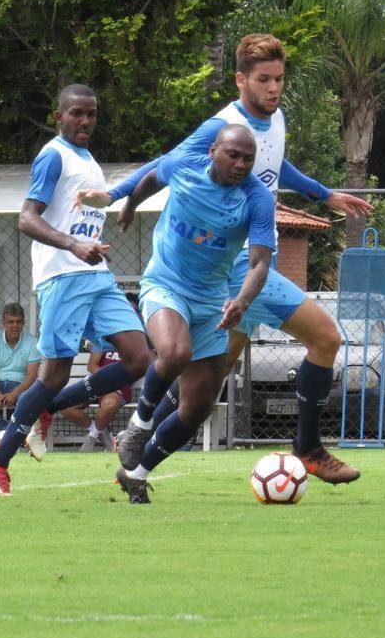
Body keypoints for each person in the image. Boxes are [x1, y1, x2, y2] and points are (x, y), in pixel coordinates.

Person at [83, 34, 372, 485]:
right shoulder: (222, 126)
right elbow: (167, 162)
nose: (274, 88)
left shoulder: (274, 120)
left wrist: (324, 195)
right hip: (235, 268)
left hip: (252, 263)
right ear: (240, 80)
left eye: (279, 79)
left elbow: (277, 165)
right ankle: (307, 448)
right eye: (264, 80)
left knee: (203, 387)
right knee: (325, 338)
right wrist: (117, 195)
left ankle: (135, 464)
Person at [0, 84, 152, 496]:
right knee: (53, 376)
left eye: (92, 114)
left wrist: (94, 242)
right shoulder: (53, 155)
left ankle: (43, 409)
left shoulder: (89, 162)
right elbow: (26, 218)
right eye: (77, 113)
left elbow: (80, 219)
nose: (86, 121)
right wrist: (73, 245)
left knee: (139, 357)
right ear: (60, 116)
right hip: (62, 278)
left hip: (96, 277)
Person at [110, 124, 275, 502]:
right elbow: (152, 177)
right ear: (213, 151)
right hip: (165, 284)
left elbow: (259, 262)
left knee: (199, 406)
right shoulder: (184, 164)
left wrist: (241, 301)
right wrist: (131, 204)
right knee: (174, 352)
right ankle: (139, 424)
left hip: (212, 300)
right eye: (233, 155)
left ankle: (136, 473)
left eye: (248, 159)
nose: (240, 164)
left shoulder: (256, 198)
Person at [64, 293, 144, 452]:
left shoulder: (139, 339)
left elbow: (140, 367)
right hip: (98, 383)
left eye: (133, 311)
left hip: (119, 387)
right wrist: (105, 380)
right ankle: (101, 433)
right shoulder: (108, 334)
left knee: (110, 404)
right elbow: (92, 365)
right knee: (66, 405)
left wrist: (114, 382)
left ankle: (91, 439)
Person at [0, 302, 44, 456]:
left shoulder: (32, 342)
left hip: (21, 386)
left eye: (18, 322)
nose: (15, 326)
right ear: (4, 323)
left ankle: (11, 435)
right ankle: (9, 433)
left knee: (27, 402)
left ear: (23, 322)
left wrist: (14, 394)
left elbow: (31, 377)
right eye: (10, 322)